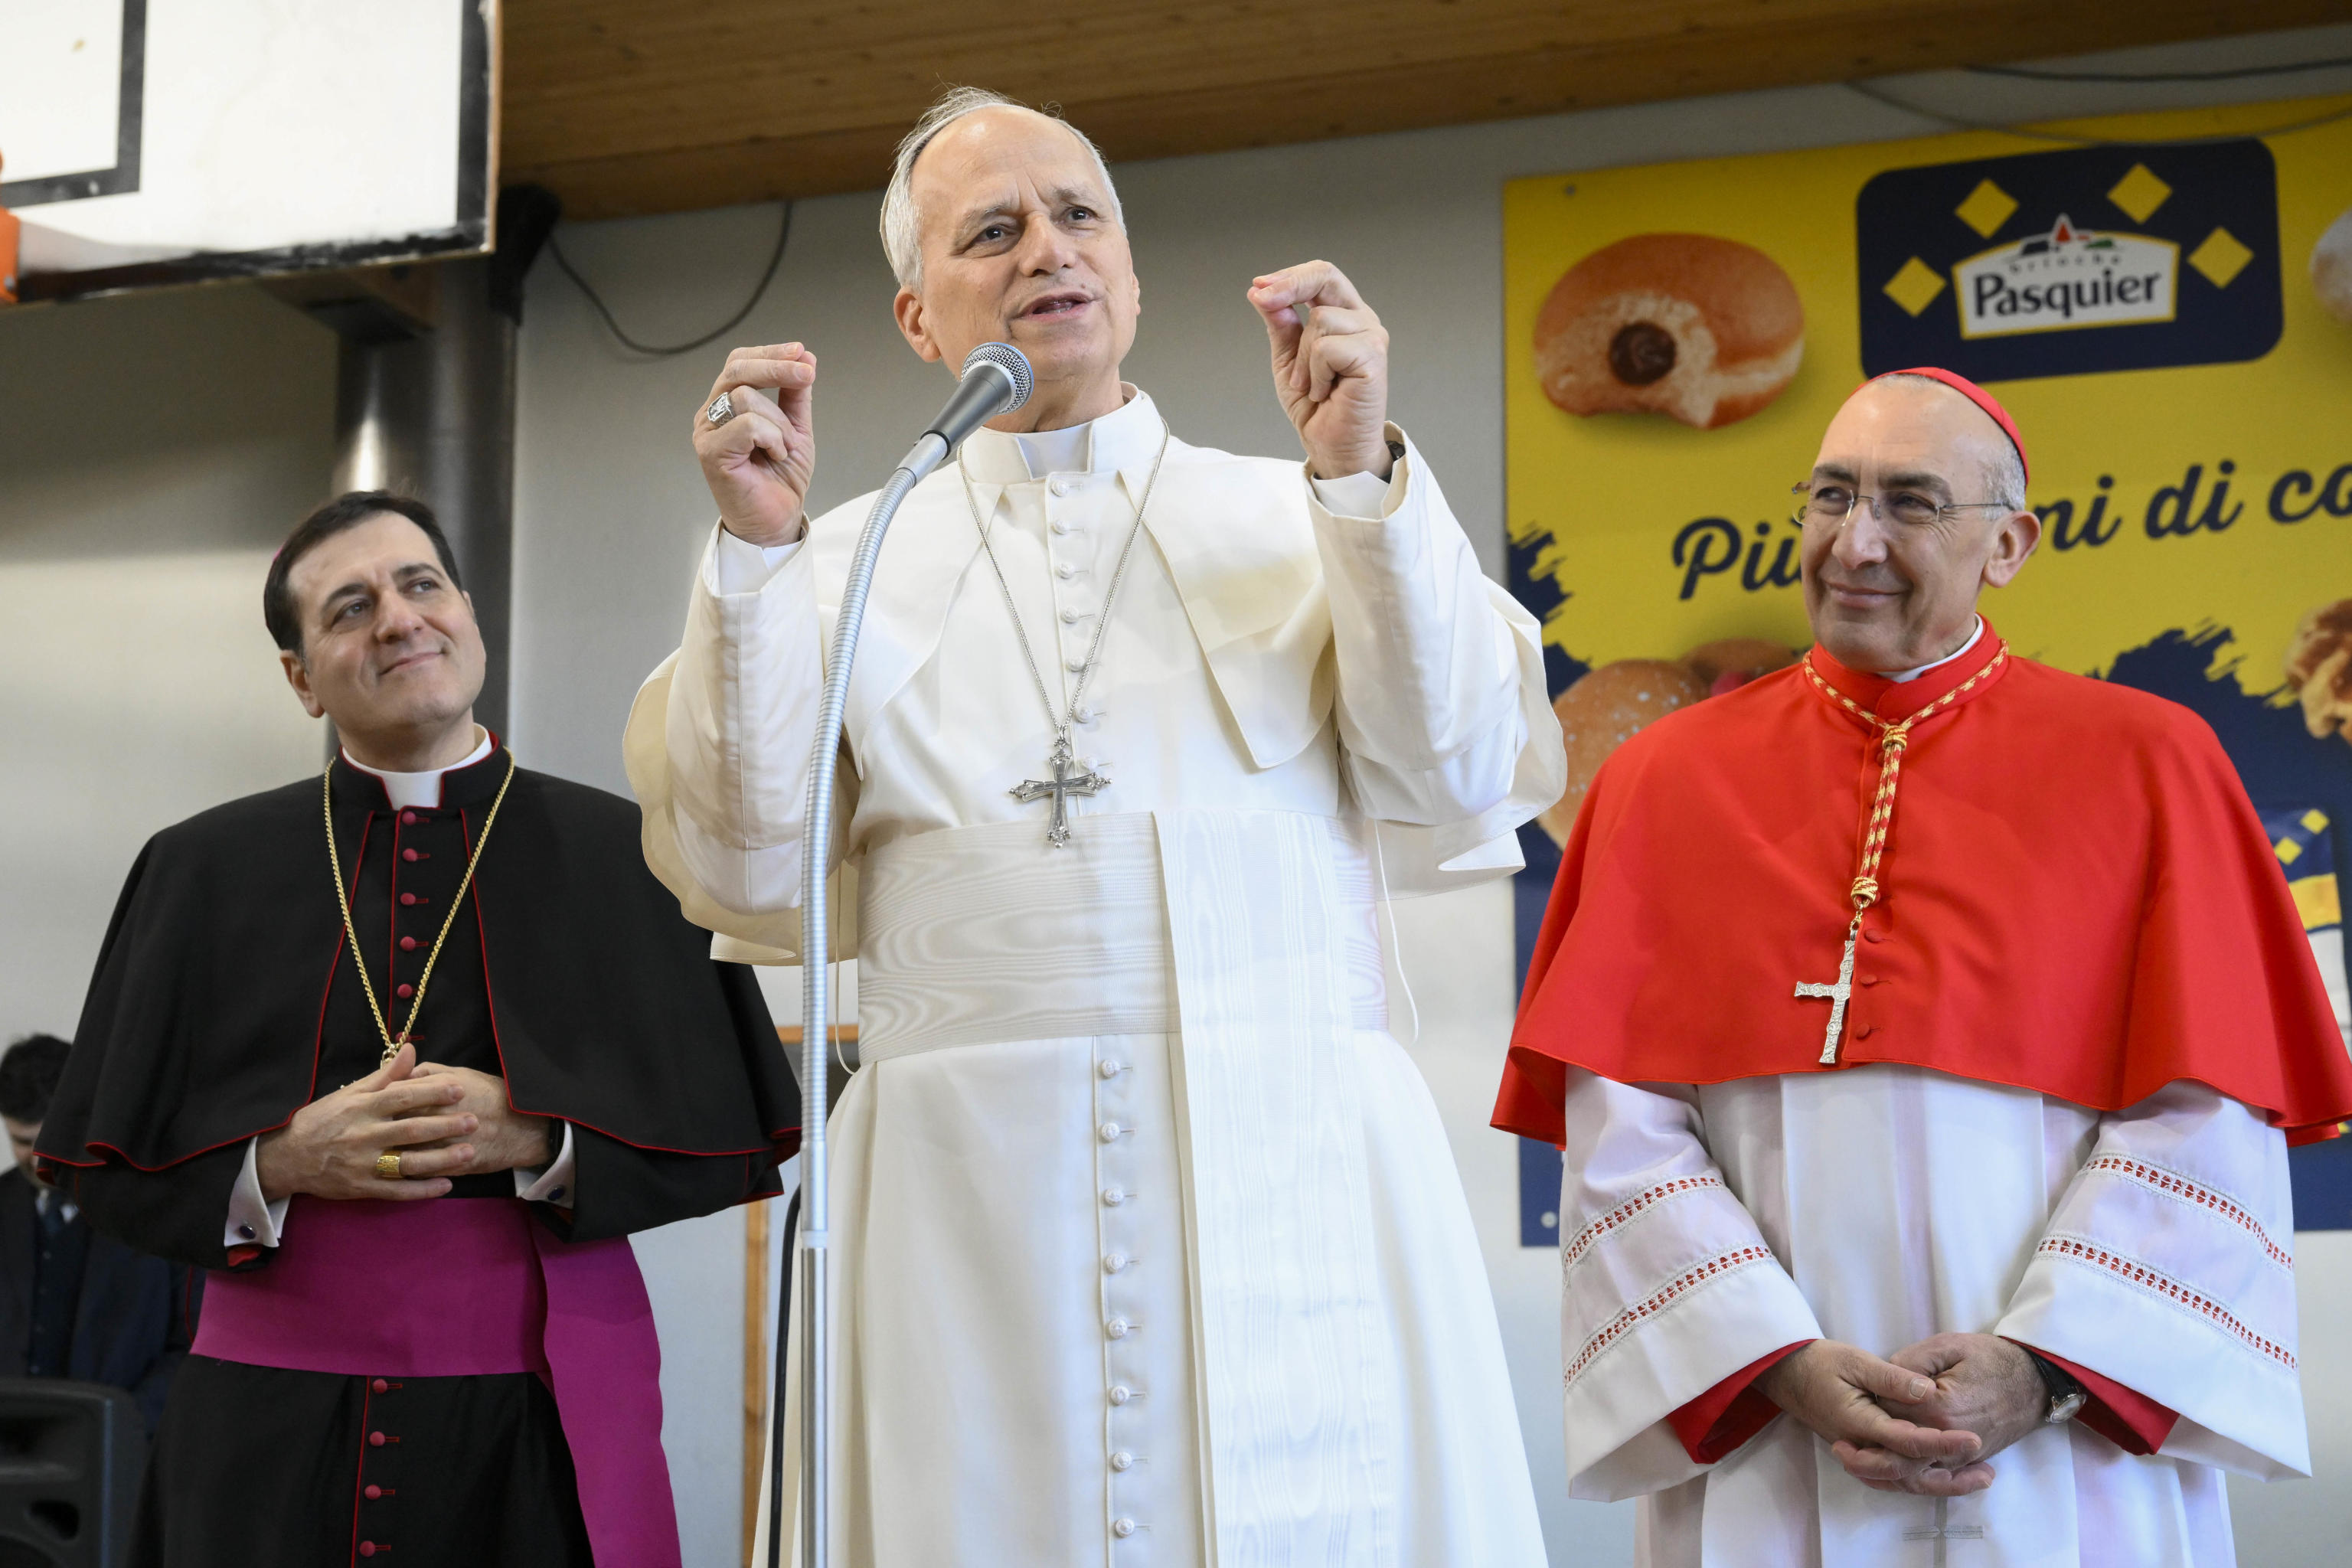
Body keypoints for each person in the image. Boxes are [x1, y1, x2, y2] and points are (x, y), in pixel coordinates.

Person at [626, 86, 1560, 1564]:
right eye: (989, 231)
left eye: (1078, 217)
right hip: (961, 1181)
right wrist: (751, 557)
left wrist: (1362, 479)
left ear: (1127, 270)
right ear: (917, 318)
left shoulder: (1303, 509)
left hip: (1289, 1137)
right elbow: (751, 869)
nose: (1045, 250)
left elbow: (1449, 783)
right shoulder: (837, 560)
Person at [1494, 368, 2352, 1565]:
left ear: (2009, 543)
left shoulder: (2151, 763)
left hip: (2062, 1459)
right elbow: (1619, 1124)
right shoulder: (1664, 779)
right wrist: (1769, 1357)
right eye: (1831, 495)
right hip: (1775, 1454)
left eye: (1909, 503)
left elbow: (2206, 1116)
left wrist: (2047, 1366)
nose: (1855, 541)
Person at [35, 492, 801, 1568]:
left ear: (469, 617)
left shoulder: (627, 851)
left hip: (539, 1411)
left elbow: (731, 1134)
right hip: (263, 1426)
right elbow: (98, 1168)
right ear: (301, 679)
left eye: (420, 585)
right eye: (350, 608)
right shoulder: (198, 870)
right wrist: (280, 1160)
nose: (398, 620)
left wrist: (542, 1137)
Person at [0, 1033, 194, 1434]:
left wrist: (122, 1427)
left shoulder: (158, 1209)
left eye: (48, 1141)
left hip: (122, 1453)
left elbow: (193, 1341)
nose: (39, 1161)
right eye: (22, 1142)